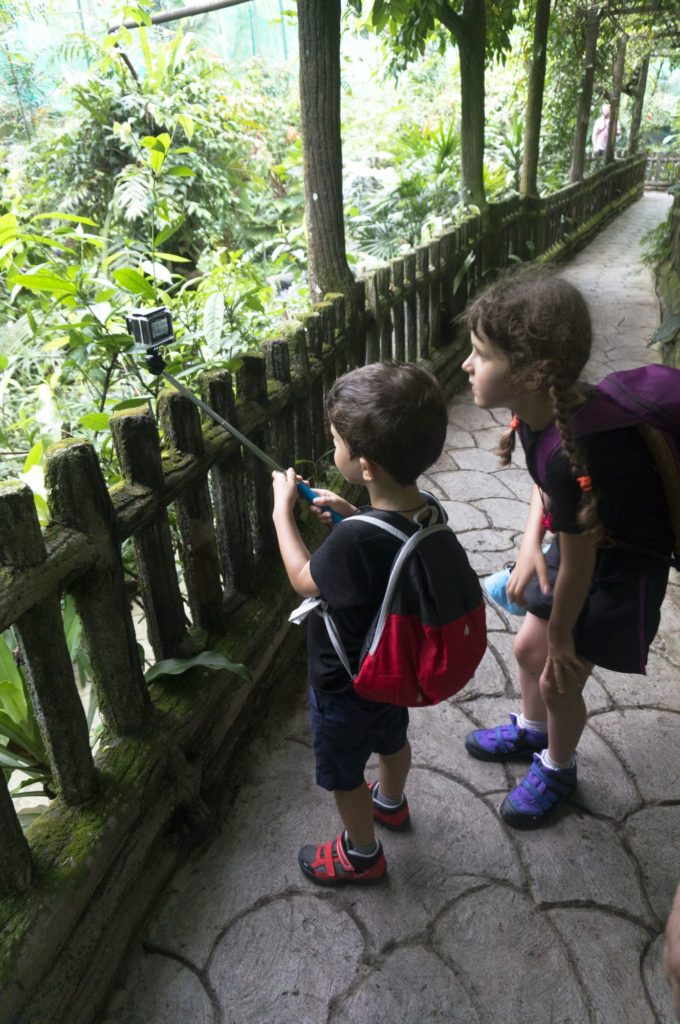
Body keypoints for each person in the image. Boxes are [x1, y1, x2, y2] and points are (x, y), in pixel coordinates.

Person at [461, 271, 673, 829]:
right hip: (582, 538)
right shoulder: (542, 414)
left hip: (619, 568)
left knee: (558, 677)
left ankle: (558, 767)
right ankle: (534, 732)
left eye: (481, 353)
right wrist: (531, 543)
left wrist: (561, 640)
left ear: (530, 373)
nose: (466, 364)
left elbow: (578, 566)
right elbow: (551, 487)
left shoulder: (574, 445)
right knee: (527, 651)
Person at [271, 361, 453, 885]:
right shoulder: (428, 511)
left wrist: (283, 513)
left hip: (345, 680)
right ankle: (391, 802)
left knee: (344, 773)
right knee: (392, 741)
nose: (333, 449)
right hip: (393, 668)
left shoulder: (353, 541)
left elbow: (304, 579)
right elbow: (390, 543)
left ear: (365, 465)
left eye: (336, 442)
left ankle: (362, 853)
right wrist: (351, 512)